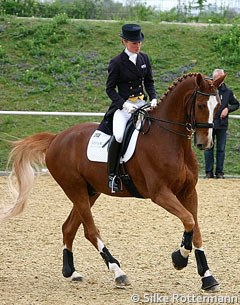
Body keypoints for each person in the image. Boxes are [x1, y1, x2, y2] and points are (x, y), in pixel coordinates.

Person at [102, 23, 157, 193]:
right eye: (134, 43)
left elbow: (149, 81)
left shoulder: (144, 58)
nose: (137, 46)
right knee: (118, 136)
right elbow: (109, 89)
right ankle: (112, 176)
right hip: (124, 107)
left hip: (142, 104)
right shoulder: (116, 62)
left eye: (139, 43)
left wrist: (154, 97)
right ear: (124, 42)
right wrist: (123, 104)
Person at [204, 68, 239, 179]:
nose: (221, 80)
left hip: (222, 125)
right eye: (220, 78)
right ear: (214, 78)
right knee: (208, 148)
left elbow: (236, 104)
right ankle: (209, 172)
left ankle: (219, 172)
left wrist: (228, 109)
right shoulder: (207, 90)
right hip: (209, 124)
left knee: (221, 149)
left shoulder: (228, 92)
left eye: (223, 78)